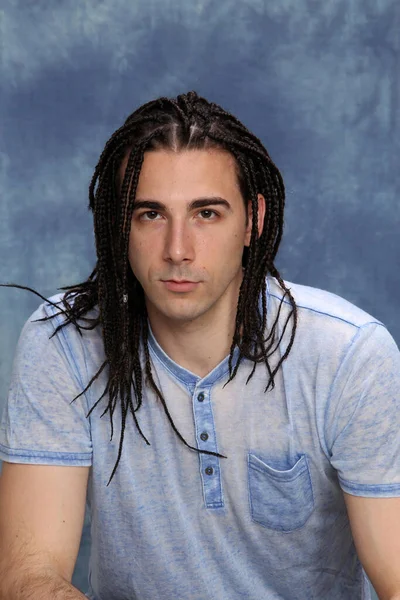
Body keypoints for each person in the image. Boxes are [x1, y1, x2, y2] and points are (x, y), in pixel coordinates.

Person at [0, 91, 399, 600]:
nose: (178, 250)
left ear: (253, 220)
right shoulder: (64, 344)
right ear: (120, 226)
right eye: (150, 215)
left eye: (206, 214)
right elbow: (26, 577)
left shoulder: (350, 357)